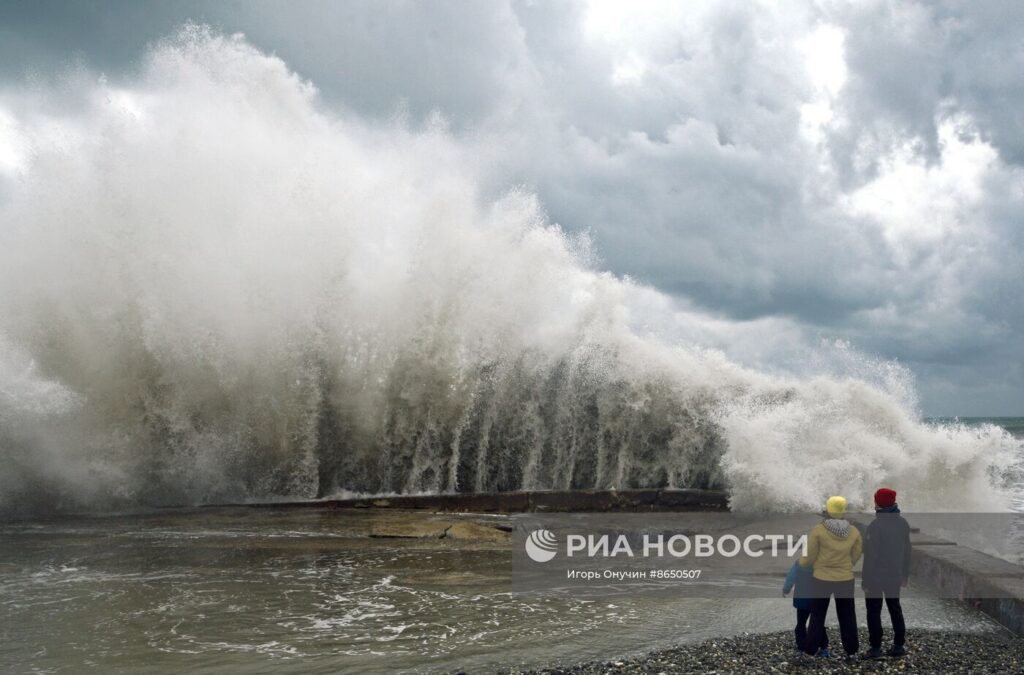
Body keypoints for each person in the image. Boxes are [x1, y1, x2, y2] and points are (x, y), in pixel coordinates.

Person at [798, 495, 862, 662]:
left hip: (821, 579)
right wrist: (847, 566)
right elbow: (856, 553)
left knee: (817, 615)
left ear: (828, 509)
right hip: (845, 579)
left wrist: (803, 564)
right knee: (848, 615)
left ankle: (810, 652)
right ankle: (852, 652)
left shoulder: (818, 530)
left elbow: (808, 557)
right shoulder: (854, 531)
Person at [862, 487, 911, 658]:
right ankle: (898, 645)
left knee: (874, 611)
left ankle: (875, 648)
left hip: (876, 577)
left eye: (875, 500)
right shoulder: (903, 523)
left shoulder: (875, 526)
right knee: (895, 609)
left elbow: (870, 556)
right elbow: (907, 551)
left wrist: (865, 581)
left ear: (879, 503)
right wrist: (905, 574)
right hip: (895, 575)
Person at [783, 559, 830, 657]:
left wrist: (786, 589)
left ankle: (801, 648)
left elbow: (791, 577)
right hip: (817, 599)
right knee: (818, 623)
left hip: (802, 599)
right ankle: (824, 648)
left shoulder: (800, 562)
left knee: (801, 624)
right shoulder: (821, 561)